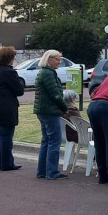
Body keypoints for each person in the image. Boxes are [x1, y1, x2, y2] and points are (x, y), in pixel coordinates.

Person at [0, 46, 25, 172]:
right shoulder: (9, 72)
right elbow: (19, 91)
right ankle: (7, 163)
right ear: (10, 58)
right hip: (6, 106)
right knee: (6, 136)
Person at [34, 50, 69, 180]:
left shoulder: (44, 72)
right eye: (57, 59)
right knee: (54, 141)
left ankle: (42, 170)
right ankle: (52, 172)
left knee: (46, 141)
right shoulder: (48, 74)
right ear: (49, 59)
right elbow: (55, 94)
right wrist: (64, 108)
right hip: (49, 111)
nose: (59, 62)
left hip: (43, 110)